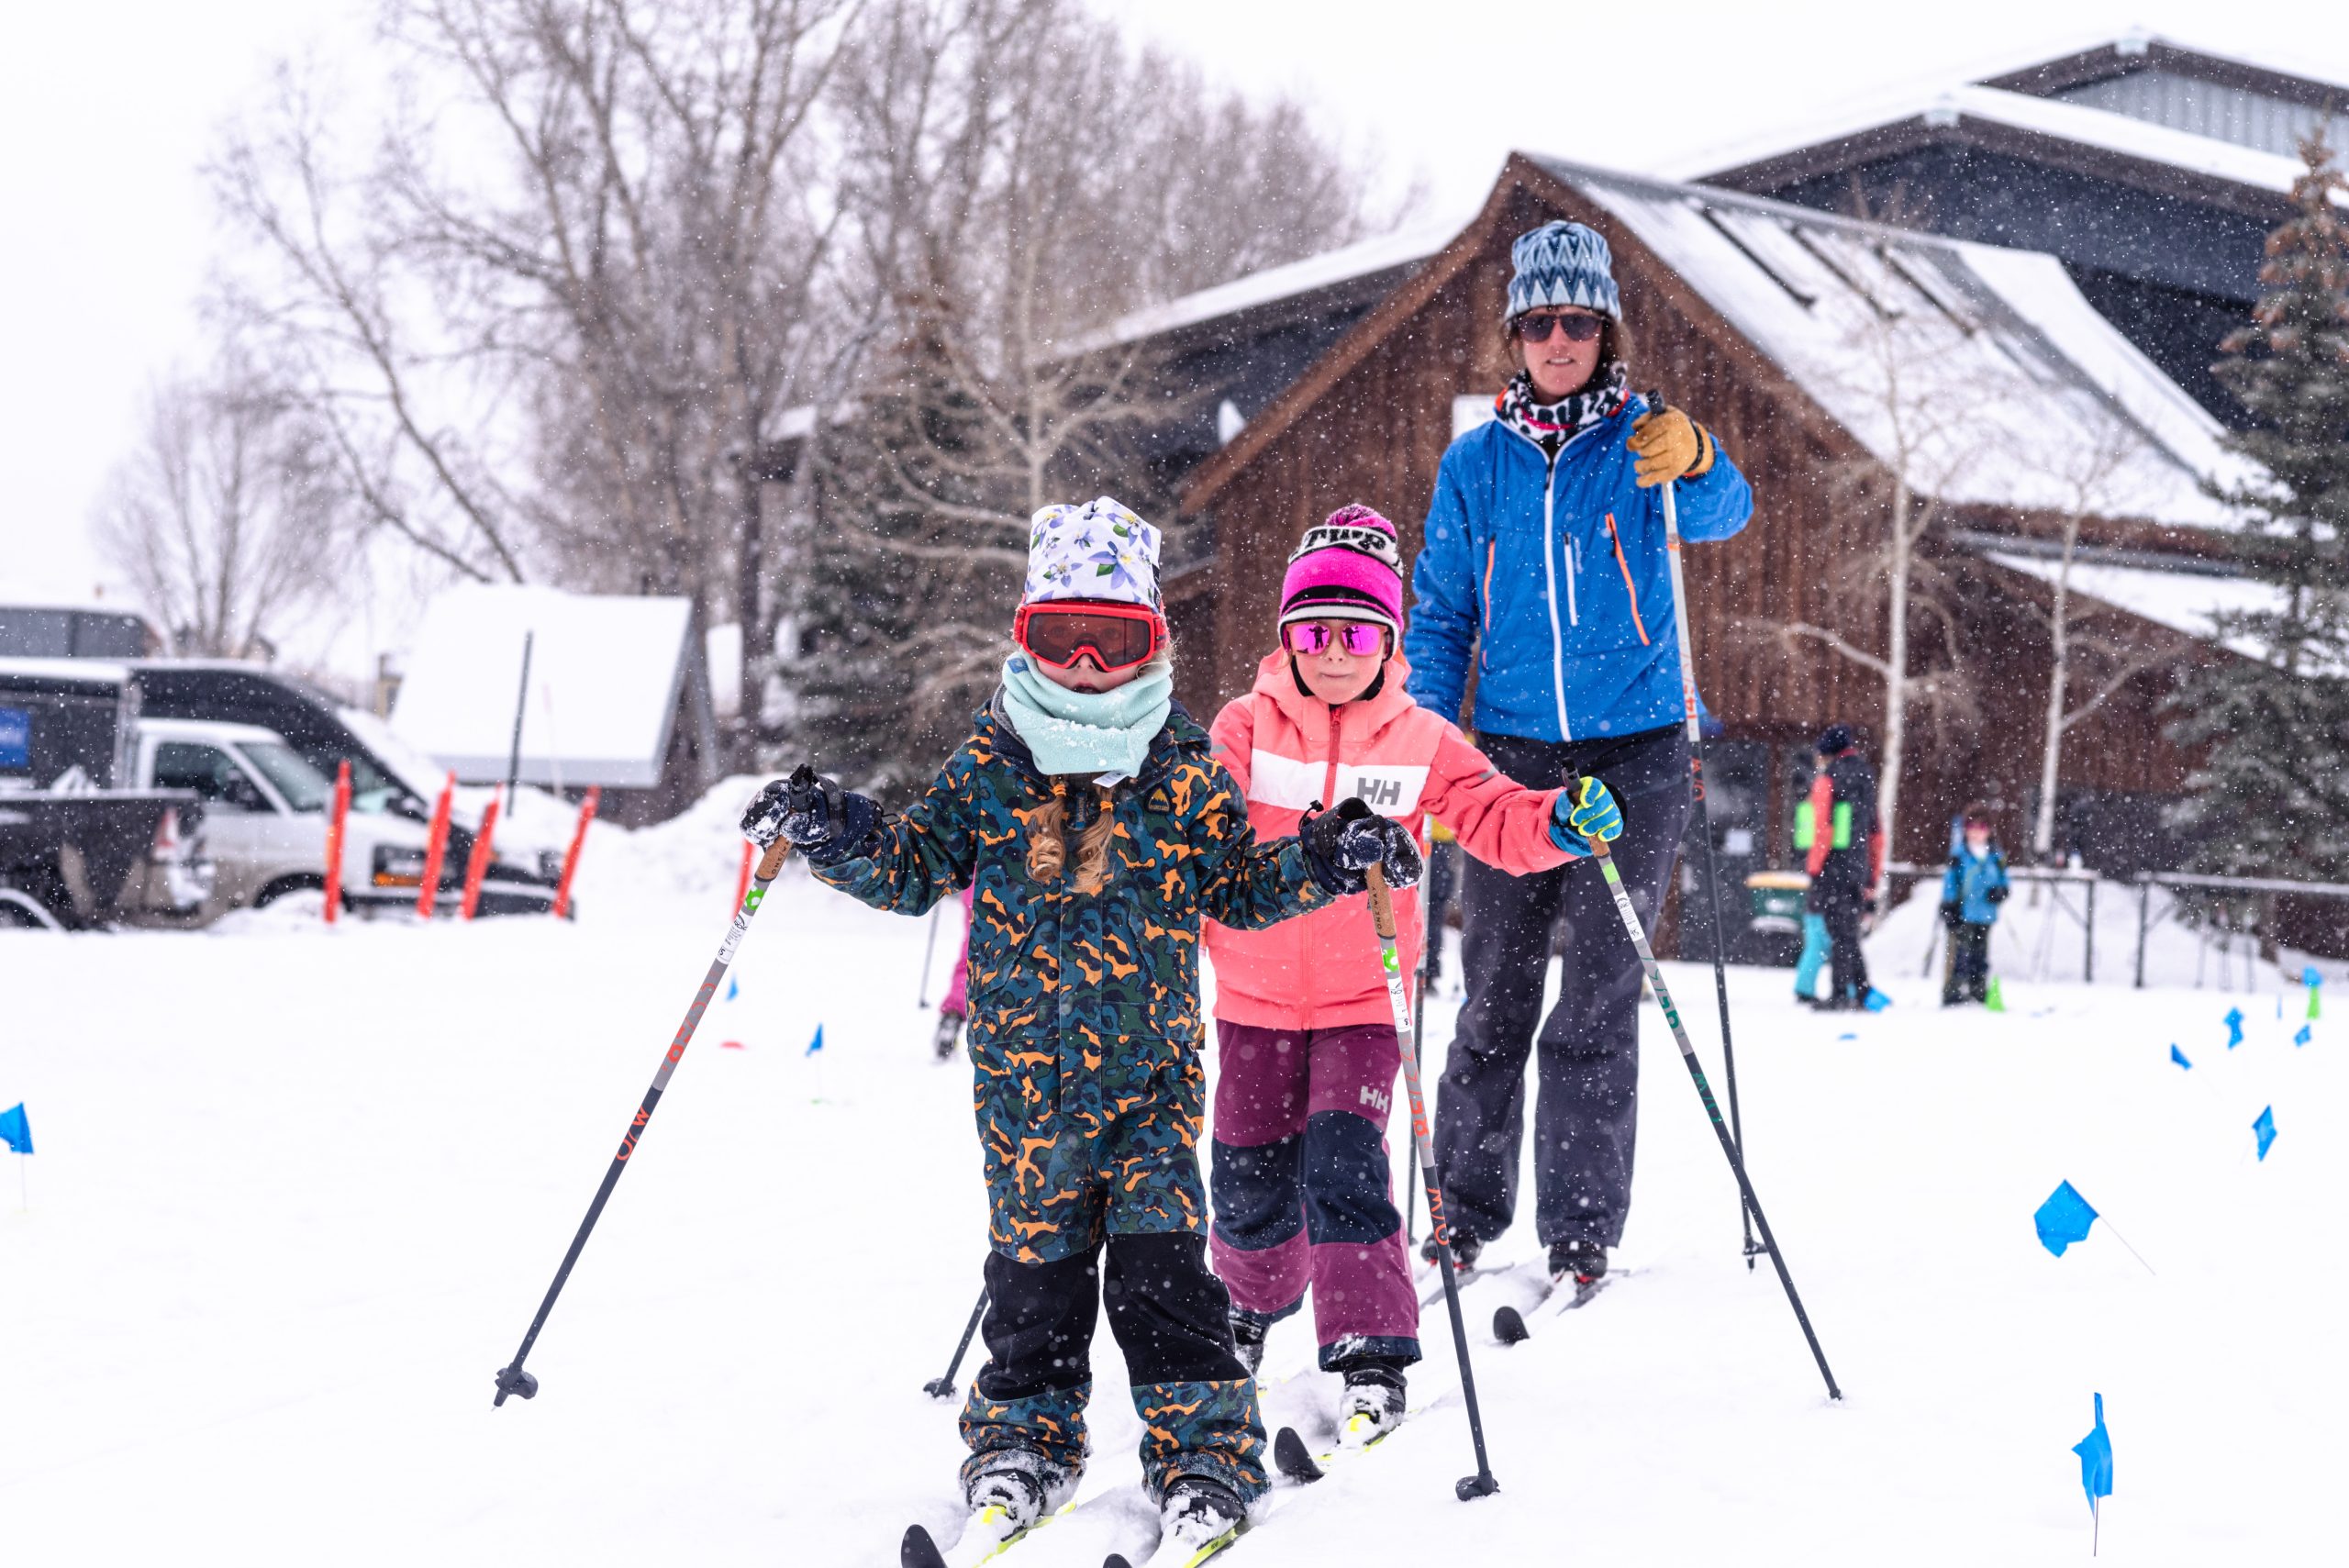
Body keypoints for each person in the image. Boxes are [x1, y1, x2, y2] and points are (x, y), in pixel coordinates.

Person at [743, 497, 1419, 1560]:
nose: (1090, 664)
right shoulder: (991, 763)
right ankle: (1024, 1443)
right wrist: (835, 828)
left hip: (1150, 1084)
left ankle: (1204, 1456)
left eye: (1116, 637)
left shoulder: (1180, 767)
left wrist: (1328, 852)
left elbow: (1239, 885)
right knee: (1033, 1285)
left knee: (1165, 1283)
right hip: (1026, 1091)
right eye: (1063, 636)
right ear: (1028, 635)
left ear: (1153, 637)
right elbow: (913, 867)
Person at [1200, 504, 1621, 1445]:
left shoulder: (1419, 737)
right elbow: (1200, 824)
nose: (1333, 652)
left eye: (1355, 633)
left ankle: (1370, 1351)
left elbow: (1493, 814)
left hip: (1362, 998)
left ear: (1389, 641)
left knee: (1345, 1169)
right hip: (1253, 994)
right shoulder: (1244, 725)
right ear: (1286, 637)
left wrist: (1559, 818)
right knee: (1247, 1176)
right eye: (1313, 631)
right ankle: (1249, 1304)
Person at [1404, 218, 1753, 1284]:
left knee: (1599, 994)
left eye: (1579, 322)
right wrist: (1423, 740)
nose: (1559, 340)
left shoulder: (1646, 442)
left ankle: (1582, 1223)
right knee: (1492, 991)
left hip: (1637, 750)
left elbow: (1725, 511)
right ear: (1515, 334)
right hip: (1509, 757)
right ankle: (1464, 1207)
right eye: (1540, 322)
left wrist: (1699, 455)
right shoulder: (1476, 464)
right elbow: (1439, 615)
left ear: (1606, 331)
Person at [1802, 725, 1885, 1011]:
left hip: (1832, 867)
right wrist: (1872, 875)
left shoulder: (1828, 778)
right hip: (1858, 866)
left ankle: (1840, 994)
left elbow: (1822, 829)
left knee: (1839, 933)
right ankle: (1861, 991)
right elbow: (1876, 833)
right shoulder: (1867, 776)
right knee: (1848, 931)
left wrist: (1814, 868)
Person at [1940, 805, 2009, 1006]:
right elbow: (1950, 881)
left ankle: (1978, 989)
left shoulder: (1995, 855)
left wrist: (2001, 891)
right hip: (1963, 912)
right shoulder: (1959, 854)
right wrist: (1949, 904)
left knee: (1980, 956)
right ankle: (1953, 991)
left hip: (1986, 913)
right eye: (1972, 827)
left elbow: (2004, 880)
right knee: (1959, 954)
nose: (1976, 833)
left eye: (1981, 827)